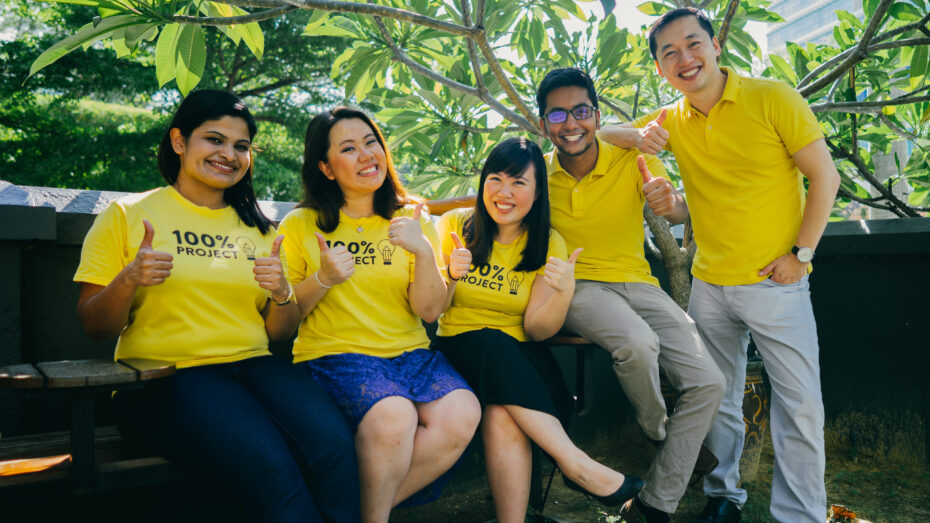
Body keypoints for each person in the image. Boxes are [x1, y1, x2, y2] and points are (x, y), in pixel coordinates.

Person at [73, 90, 360, 522]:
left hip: (254, 368)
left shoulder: (262, 229)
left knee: (336, 448)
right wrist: (129, 279)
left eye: (241, 146)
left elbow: (278, 332)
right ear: (179, 141)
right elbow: (95, 326)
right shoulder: (127, 214)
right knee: (270, 468)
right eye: (214, 139)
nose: (229, 154)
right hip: (166, 379)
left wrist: (282, 292)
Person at [601, 7, 841, 522]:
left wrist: (801, 256)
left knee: (799, 405)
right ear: (660, 68)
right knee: (718, 400)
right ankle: (724, 497)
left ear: (715, 46)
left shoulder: (773, 97)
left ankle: (800, 516)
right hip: (709, 284)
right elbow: (602, 134)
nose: (684, 59)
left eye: (693, 44)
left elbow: (826, 177)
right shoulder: (672, 119)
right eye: (670, 53)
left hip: (776, 282)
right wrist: (652, 162)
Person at [536, 67, 726, 523]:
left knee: (709, 382)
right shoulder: (536, 174)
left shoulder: (630, 156)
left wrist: (668, 202)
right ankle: (658, 430)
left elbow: (675, 208)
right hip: (577, 285)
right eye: (557, 114)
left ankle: (652, 504)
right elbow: (487, 199)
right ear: (543, 124)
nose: (571, 123)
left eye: (581, 111)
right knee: (638, 345)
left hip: (639, 282)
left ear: (597, 116)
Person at [278, 107, 481, 523]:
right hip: (336, 356)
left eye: (371, 142)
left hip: (410, 355)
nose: (366, 155)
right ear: (325, 167)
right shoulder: (300, 224)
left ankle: (356, 515)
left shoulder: (410, 217)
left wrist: (423, 251)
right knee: (394, 416)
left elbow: (429, 310)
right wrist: (323, 277)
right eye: (348, 148)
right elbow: (286, 318)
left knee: (463, 413)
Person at [431, 137, 644, 522]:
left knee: (502, 413)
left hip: (522, 364)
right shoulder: (455, 226)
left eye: (518, 182)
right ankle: (575, 464)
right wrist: (449, 274)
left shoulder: (547, 242)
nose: (504, 192)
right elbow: (434, 310)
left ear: (538, 192)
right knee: (490, 341)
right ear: (483, 182)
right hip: (460, 356)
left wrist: (564, 291)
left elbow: (537, 329)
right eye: (496, 179)